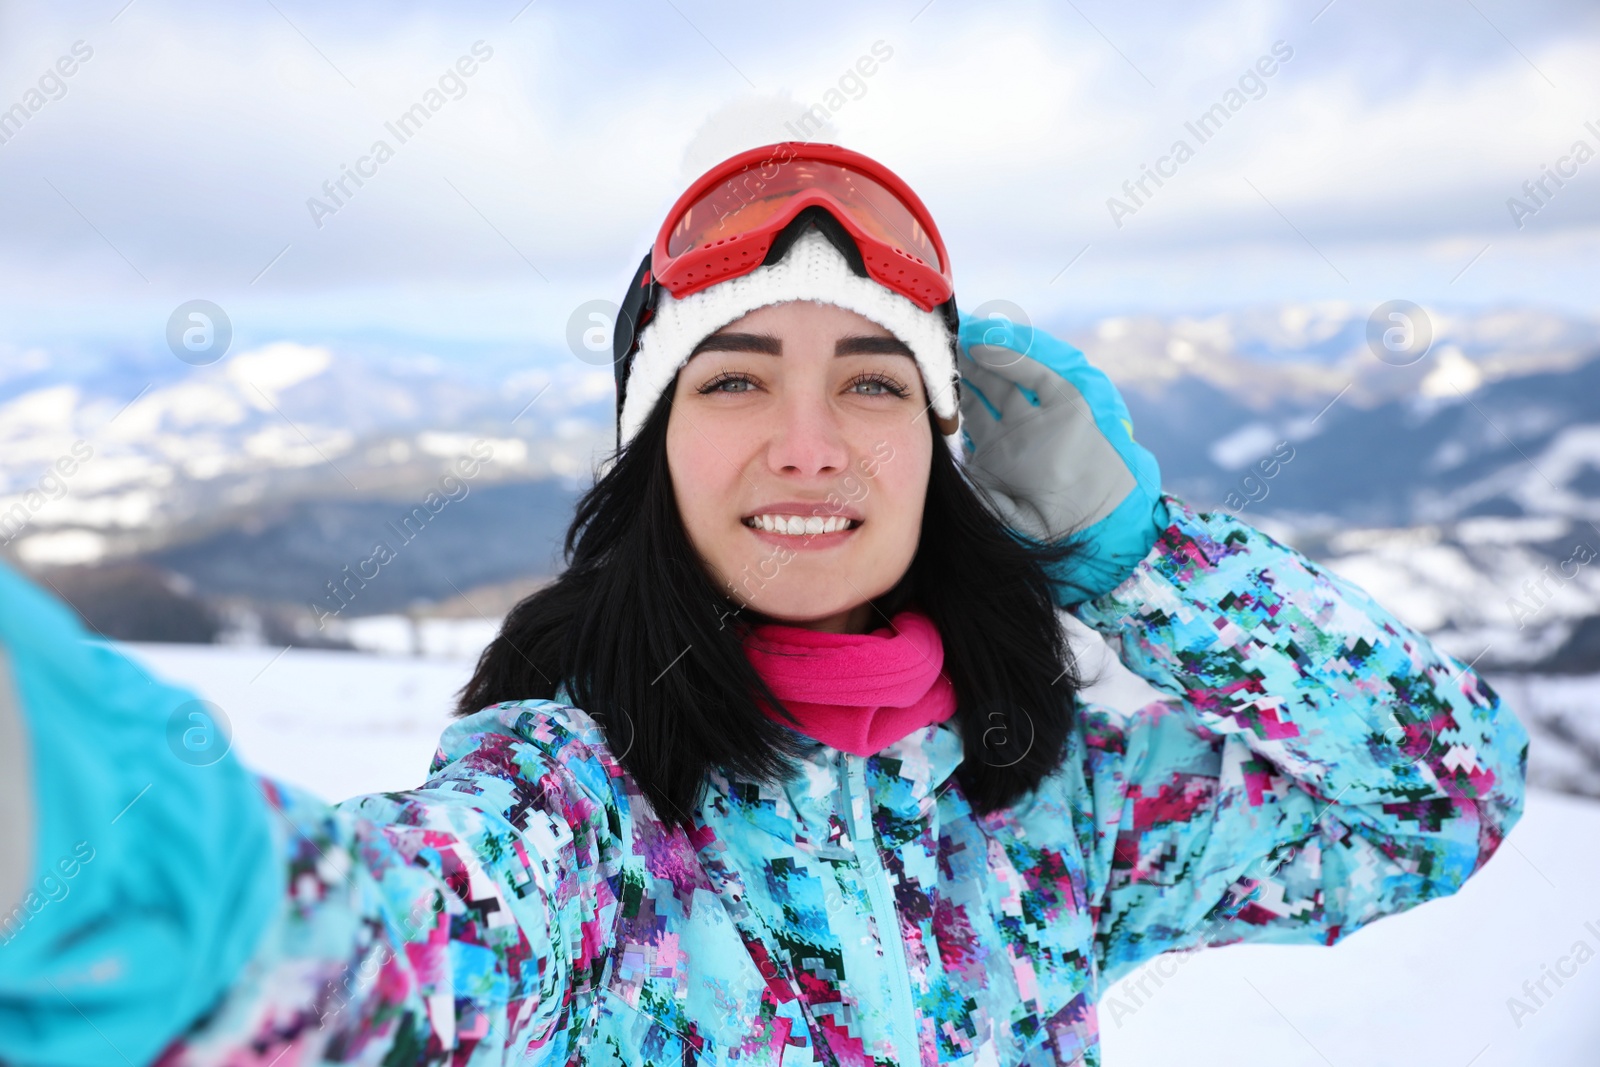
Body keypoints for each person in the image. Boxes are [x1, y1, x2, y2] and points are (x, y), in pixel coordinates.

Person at [0, 142, 1527, 1067]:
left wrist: (1140, 559)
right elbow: (357, 965)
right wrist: (80, 835)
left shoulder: (1052, 814)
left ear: (940, 459)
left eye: (872, 383)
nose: (810, 441)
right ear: (656, 455)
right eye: (733, 380)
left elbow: (1441, 797)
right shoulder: (580, 815)